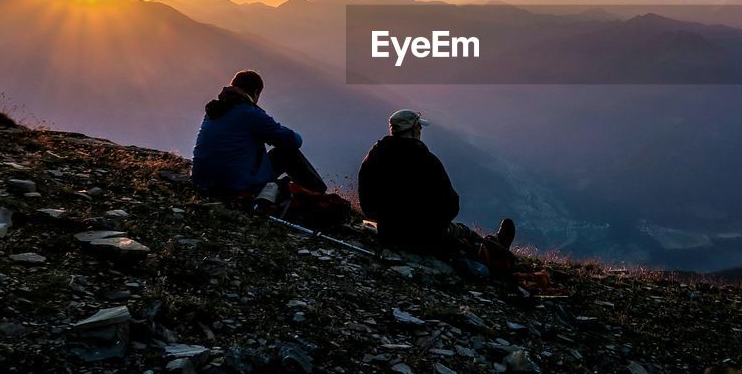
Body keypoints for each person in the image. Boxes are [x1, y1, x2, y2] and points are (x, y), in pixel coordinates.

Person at [358, 109, 515, 262]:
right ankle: (494, 247)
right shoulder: (425, 160)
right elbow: (451, 205)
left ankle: (493, 243)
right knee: (461, 234)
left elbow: (367, 202)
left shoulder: (374, 155)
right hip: (423, 236)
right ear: (414, 129)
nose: (420, 130)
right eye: (419, 126)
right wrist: (430, 223)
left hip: (388, 231)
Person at [191, 70, 326, 198]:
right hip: (233, 185)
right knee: (286, 154)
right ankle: (319, 193)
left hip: (201, 180)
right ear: (256, 92)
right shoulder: (250, 113)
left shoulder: (215, 110)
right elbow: (293, 140)